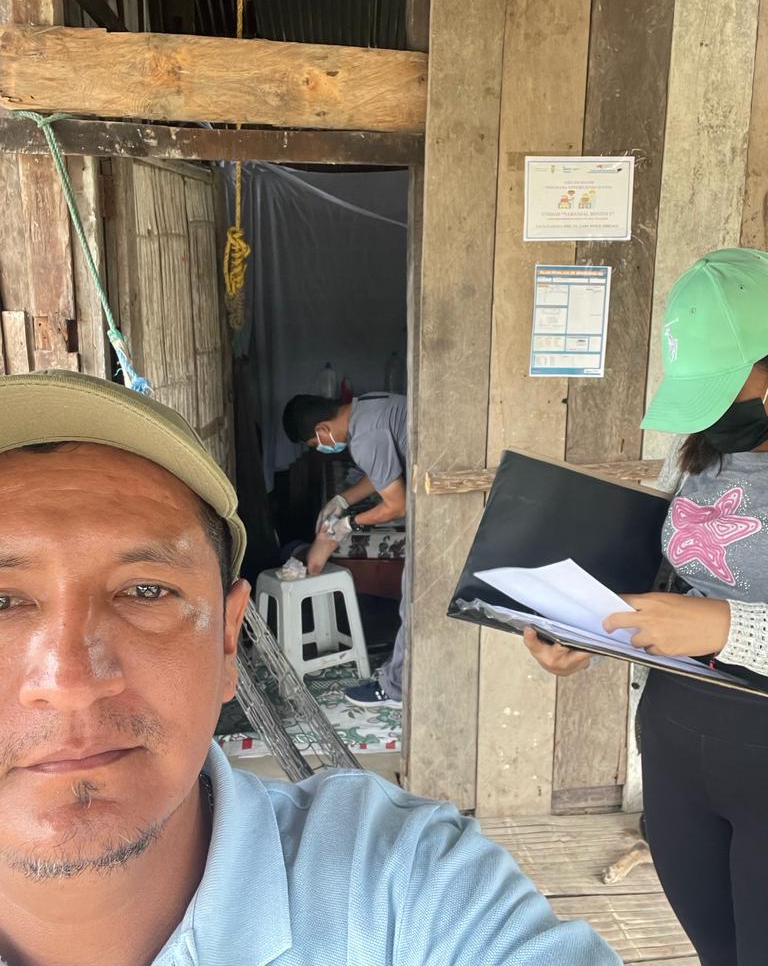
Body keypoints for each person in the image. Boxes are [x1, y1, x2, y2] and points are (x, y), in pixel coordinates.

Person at [0, 369, 620, 966]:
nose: (69, 682)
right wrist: (341, 504)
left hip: (448, 533)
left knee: (411, 608)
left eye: (145, 591)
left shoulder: (400, 880)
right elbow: (375, 480)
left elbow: (394, 497)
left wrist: (344, 525)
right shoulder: (373, 414)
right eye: (3, 602)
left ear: (228, 641)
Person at [524, 247, 768, 966]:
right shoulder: (696, 454)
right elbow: (667, 579)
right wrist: (588, 634)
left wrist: (726, 626)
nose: (712, 412)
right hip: (677, 749)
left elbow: (708, 617)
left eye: (726, 388)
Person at [282, 392, 408, 708]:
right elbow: (383, 472)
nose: (321, 449)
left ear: (323, 429)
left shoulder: (364, 437)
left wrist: (349, 523)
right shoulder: (367, 407)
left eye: (315, 444)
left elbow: (397, 505)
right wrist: (342, 500)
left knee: (414, 600)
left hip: (447, 495)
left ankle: (396, 690)